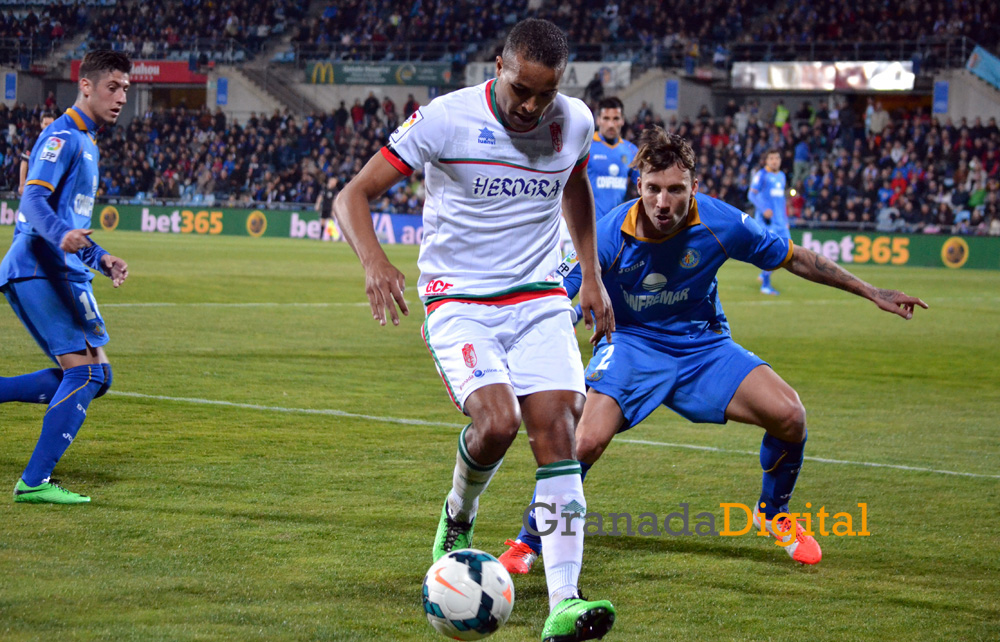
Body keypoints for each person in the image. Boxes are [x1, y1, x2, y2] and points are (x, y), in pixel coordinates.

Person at [498, 127, 927, 574]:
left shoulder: (721, 222)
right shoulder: (609, 233)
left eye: (676, 190)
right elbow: (555, 294)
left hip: (702, 346)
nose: (663, 202)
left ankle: (774, 512)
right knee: (584, 439)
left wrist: (870, 290)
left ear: (694, 188)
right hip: (631, 345)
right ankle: (531, 540)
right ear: (638, 186)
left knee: (790, 415)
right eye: (654, 189)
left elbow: (795, 257)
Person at [333, 18, 617, 642]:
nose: (533, 107)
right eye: (522, 90)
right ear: (497, 67)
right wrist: (375, 261)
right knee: (496, 424)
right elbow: (351, 196)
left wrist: (590, 274)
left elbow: (576, 189)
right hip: (459, 300)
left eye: (547, 94)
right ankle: (459, 514)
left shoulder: (574, 122)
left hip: (540, 296)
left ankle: (564, 604)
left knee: (559, 431)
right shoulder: (444, 119)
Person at [1, 50, 132, 504]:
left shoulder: (89, 141)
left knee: (99, 375)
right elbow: (33, 203)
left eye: (126, 90)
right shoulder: (62, 136)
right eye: (112, 88)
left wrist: (102, 257)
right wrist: (62, 237)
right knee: (88, 372)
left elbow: (70, 221)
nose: (121, 98)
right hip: (38, 265)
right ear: (86, 86)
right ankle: (34, 482)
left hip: (65, 268)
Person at [559, 96, 638, 256]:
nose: (611, 124)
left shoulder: (630, 151)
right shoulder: (586, 145)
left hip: (615, 230)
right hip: (583, 228)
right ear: (599, 120)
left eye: (615, 119)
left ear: (622, 121)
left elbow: (644, 183)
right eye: (606, 118)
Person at [748, 148, 788, 295]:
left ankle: (764, 274)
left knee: (787, 253)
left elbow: (781, 200)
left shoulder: (782, 176)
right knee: (774, 252)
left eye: (777, 158)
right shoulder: (762, 175)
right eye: (771, 159)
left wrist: (785, 218)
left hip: (780, 221)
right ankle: (765, 284)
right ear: (767, 161)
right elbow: (751, 195)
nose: (774, 161)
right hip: (767, 221)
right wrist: (764, 208)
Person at [18, 112, 56, 195]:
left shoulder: (60, 142)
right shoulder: (34, 141)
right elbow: (24, 162)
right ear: (41, 125)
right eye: (46, 124)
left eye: (51, 124)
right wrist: (22, 184)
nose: (48, 126)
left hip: (52, 185)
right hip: (34, 184)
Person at [314, 175, 340, 241]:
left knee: (330, 222)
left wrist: (333, 210)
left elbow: (334, 200)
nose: (334, 183)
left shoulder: (335, 190)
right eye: (334, 181)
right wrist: (318, 204)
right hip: (324, 207)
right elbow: (320, 197)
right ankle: (321, 236)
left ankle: (333, 236)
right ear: (330, 181)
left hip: (330, 208)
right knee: (322, 221)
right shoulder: (325, 188)